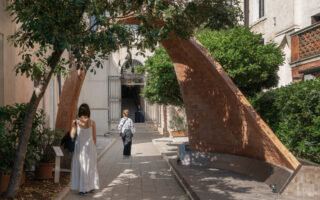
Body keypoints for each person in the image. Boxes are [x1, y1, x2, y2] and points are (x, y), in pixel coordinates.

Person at [70, 103, 99, 195]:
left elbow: (72, 136)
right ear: (88, 112)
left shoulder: (75, 122)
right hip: (90, 147)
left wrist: (73, 127)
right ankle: (91, 187)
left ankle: (83, 189)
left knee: (82, 167)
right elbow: (94, 138)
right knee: (90, 167)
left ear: (80, 111)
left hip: (80, 147)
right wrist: (93, 148)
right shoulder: (92, 122)